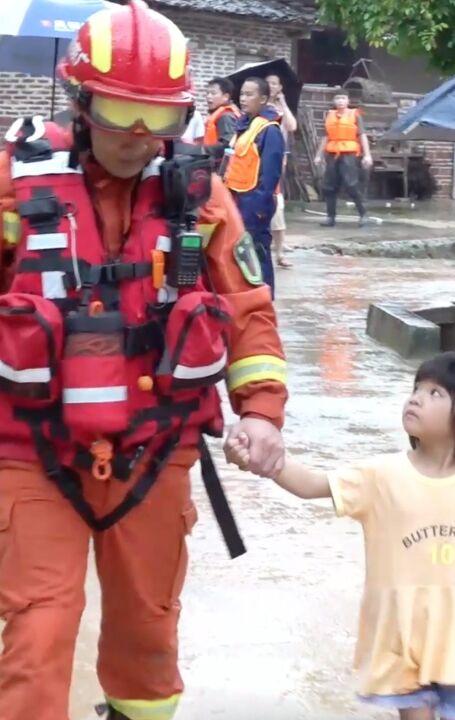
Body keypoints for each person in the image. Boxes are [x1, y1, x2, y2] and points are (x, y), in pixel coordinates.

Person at [0, 2, 288, 720]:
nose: (137, 138)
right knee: (38, 632)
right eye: (119, 113)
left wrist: (262, 413)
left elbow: (248, 309)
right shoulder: (14, 184)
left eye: (157, 120)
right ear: (79, 100)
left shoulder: (202, 196)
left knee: (148, 638)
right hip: (33, 450)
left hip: (158, 449)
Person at [227, 352, 455, 720]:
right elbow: (309, 485)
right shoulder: (382, 474)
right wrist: (260, 458)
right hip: (401, 637)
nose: (416, 397)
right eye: (417, 388)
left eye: (436, 393)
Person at [224, 76, 286, 298]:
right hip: (237, 198)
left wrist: (261, 205)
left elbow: (271, 173)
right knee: (240, 251)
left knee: (257, 252)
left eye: (249, 95)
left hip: (254, 201)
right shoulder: (244, 125)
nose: (243, 99)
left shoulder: (270, 130)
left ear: (263, 99)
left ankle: (264, 298)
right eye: (241, 94)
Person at [315, 91, 372, 227]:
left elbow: (362, 135)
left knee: (351, 185)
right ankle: (330, 217)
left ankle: (363, 214)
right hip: (332, 153)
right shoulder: (329, 116)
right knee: (329, 187)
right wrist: (319, 155)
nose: (340, 101)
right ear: (334, 101)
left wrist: (367, 155)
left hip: (349, 153)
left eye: (343, 98)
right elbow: (325, 137)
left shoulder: (355, 114)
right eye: (337, 98)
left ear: (348, 101)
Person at [265, 73, 296, 269]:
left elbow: (292, 126)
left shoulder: (280, 109)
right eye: (267, 83)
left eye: (274, 83)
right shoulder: (259, 108)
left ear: (280, 87)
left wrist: (283, 103)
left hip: (277, 159)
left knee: (278, 205)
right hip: (261, 158)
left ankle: (280, 252)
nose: (270, 86)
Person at [203, 76, 240, 161]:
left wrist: (202, 150)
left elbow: (228, 144)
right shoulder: (217, 114)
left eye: (213, 93)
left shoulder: (226, 116)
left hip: (220, 166)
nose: (208, 96)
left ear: (226, 96)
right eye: (207, 93)